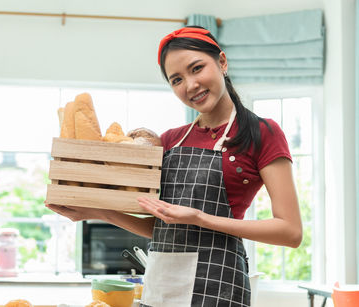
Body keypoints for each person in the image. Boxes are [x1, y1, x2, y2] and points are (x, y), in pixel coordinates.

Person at [46, 26, 302, 307]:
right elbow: (161, 227)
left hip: (220, 288)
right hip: (160, 289)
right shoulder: (169, 140)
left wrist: (200, 218)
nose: (190, 85)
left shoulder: (261, 132)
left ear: (222, 62)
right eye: (177, 79)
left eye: (197, 68)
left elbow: (290, 231)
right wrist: (95, 211)